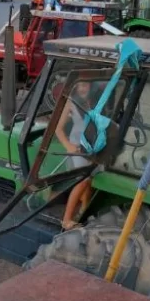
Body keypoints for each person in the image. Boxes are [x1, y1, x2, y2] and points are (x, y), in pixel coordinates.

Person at [54, 81, 95, 230]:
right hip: (77, 145)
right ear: (76, 87)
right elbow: (58, 129)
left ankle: (84, 210)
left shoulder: (94, 100)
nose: (84, 88)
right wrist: (68, 146)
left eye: (87, 85)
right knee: (82, 180)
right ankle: (66, 219)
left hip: (92, 144)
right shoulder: (71, 103)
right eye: (82, 85)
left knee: (90, 179)